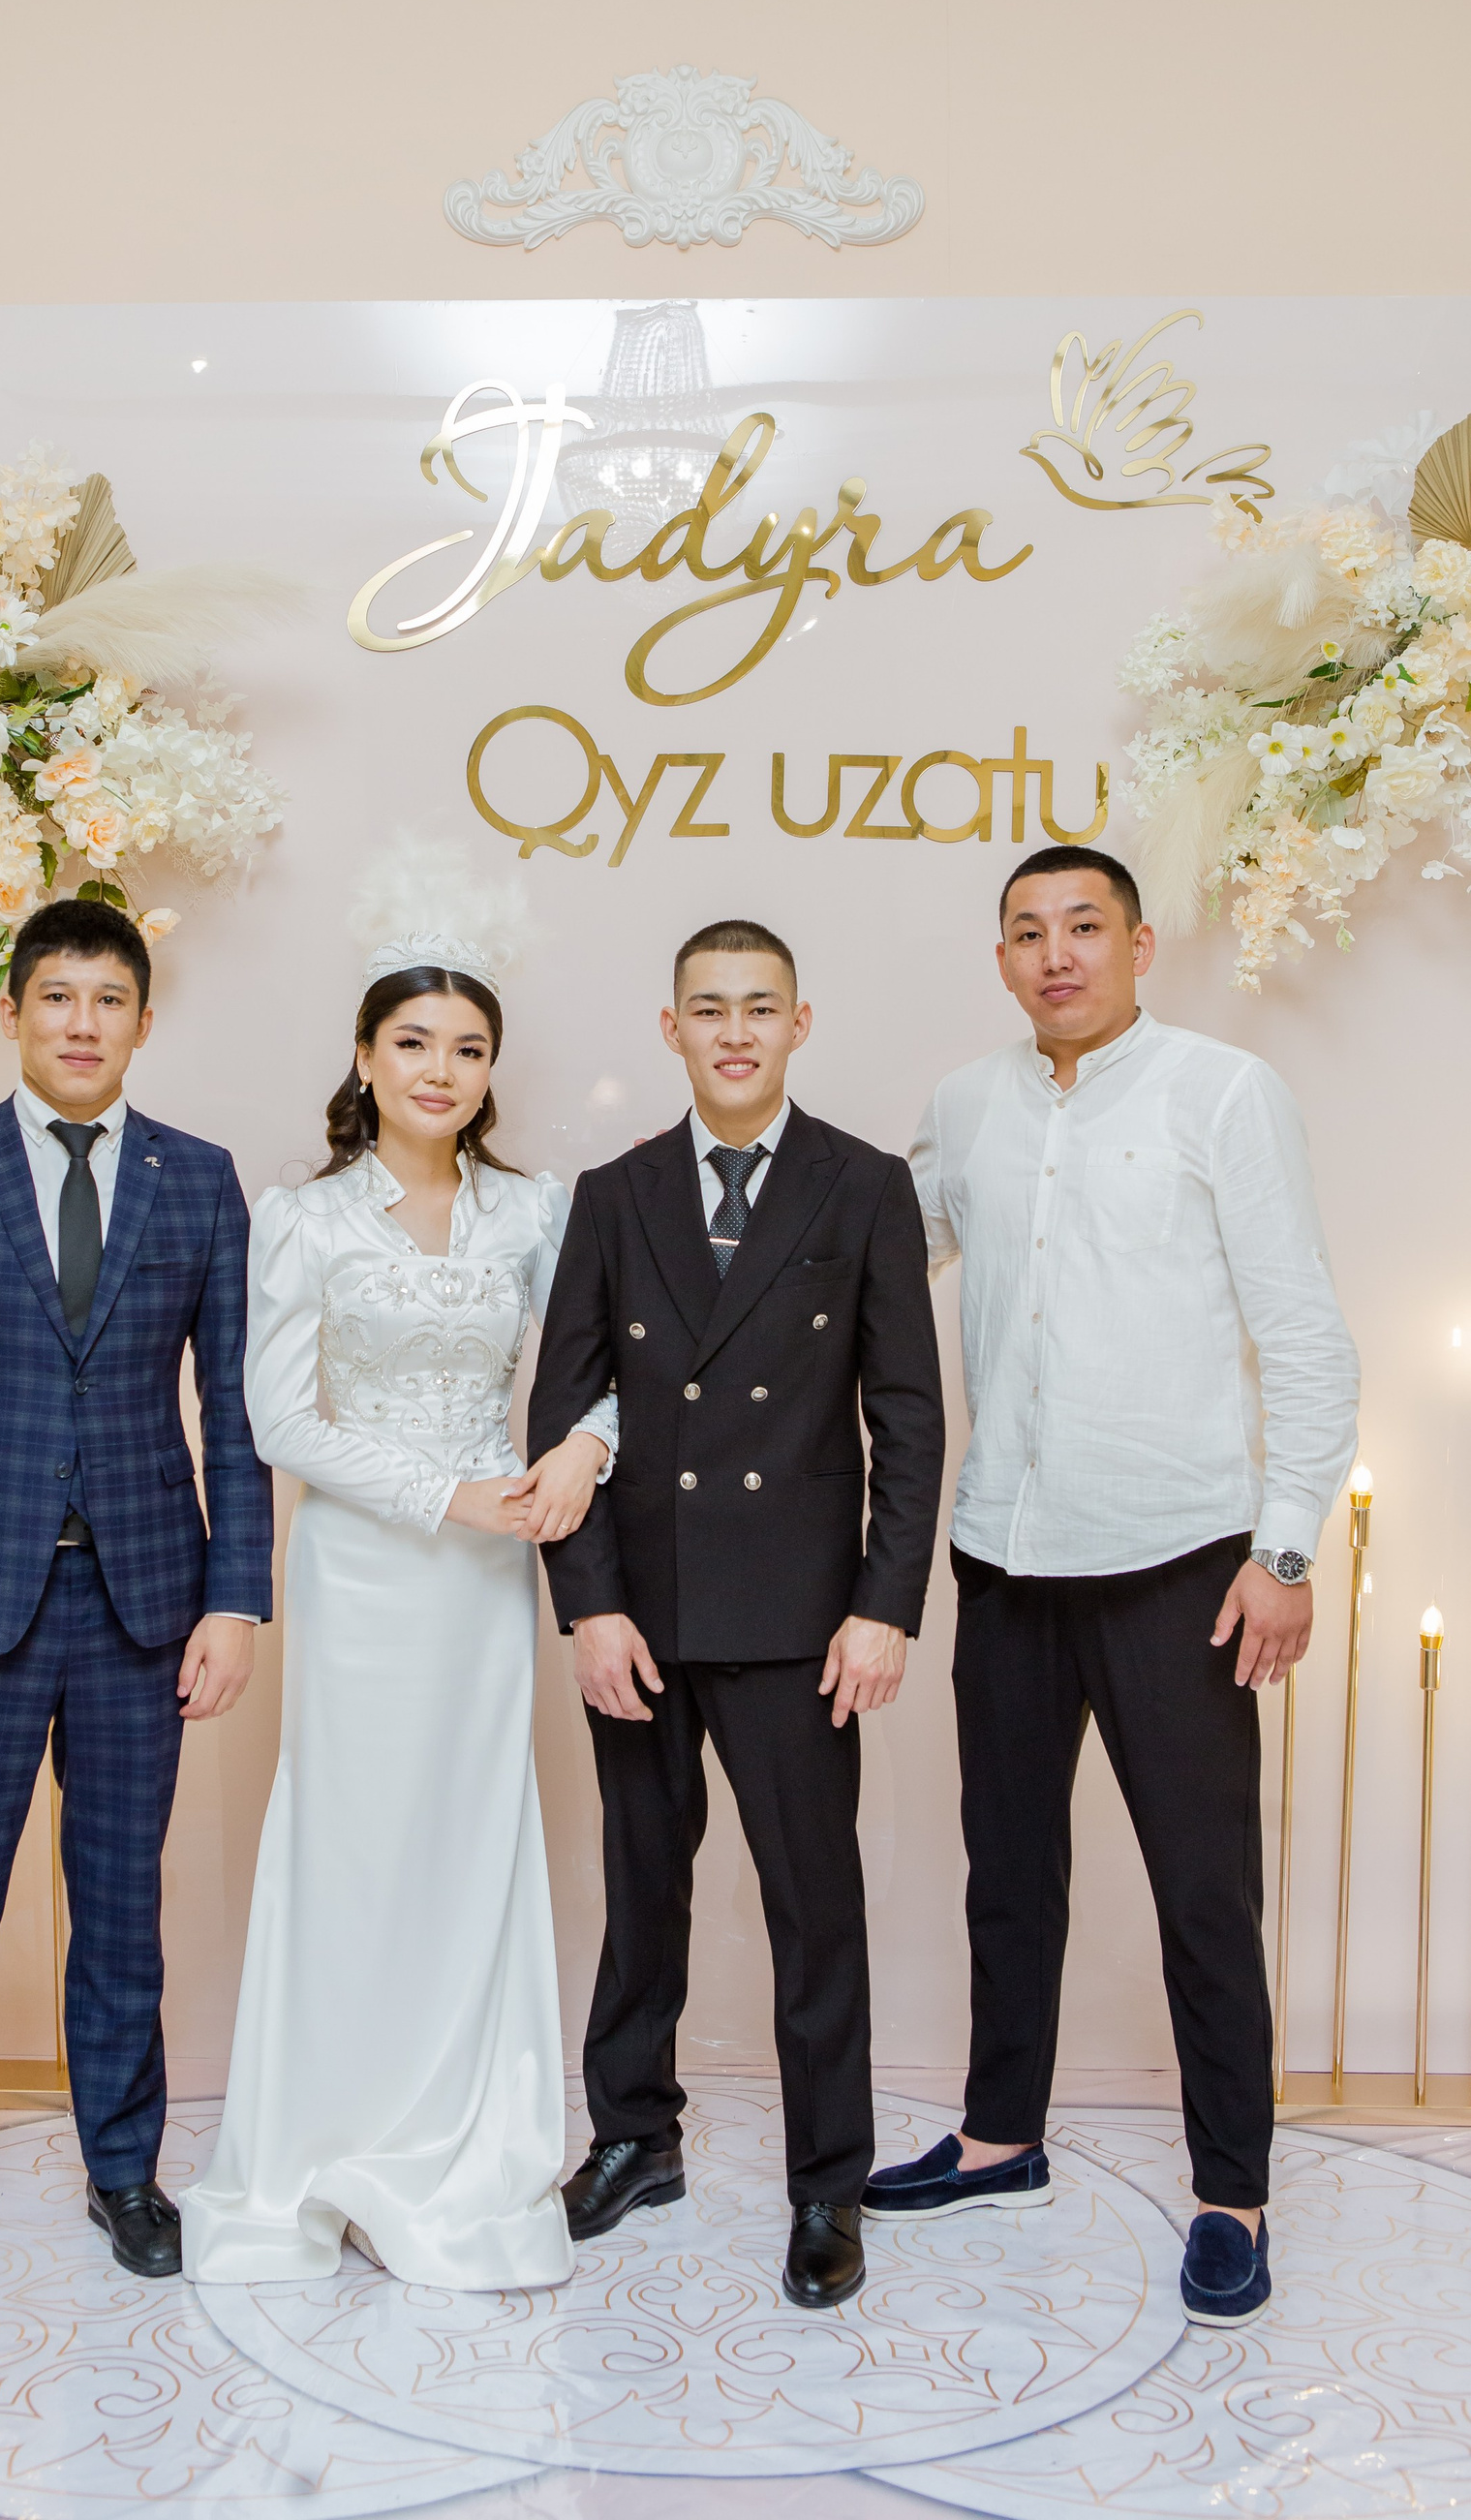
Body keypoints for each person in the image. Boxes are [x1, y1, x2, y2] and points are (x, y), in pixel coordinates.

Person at [868, 846, 1358, 2329]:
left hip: (1181, 1562)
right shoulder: (965, 1104)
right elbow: (878, 1263)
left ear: (1140, 945)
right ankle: (999, 2136)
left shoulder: (1224, 1092)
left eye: (1085, 926)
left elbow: (1304, 1330)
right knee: (1008, 1873)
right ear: (1002, 960)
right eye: (1028, 932)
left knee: (1204, 1891)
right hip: (1005, 1552)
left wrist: (1284, 1549)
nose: (1057, 952)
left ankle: (1233, 2194)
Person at [180, 860, 617, 2291]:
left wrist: (582, 1451)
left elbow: (613, 1368)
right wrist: (445, 1494)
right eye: (415, 1042)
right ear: (365, 1057)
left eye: (469, 1048)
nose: (442, 1069)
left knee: (469, 1839)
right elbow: (275, 1419)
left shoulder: (535, 1212)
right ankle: (327, 2132)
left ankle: (462, 2137)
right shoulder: (301, 1218)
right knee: (354, 1842)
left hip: (489, 1581)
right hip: (365, 1572)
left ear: (492, 1073)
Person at [0, 899, 272, 2319]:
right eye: (57, 998)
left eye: (109, 999)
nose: (82, 1023)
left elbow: (236, 1412)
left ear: (144, 1019)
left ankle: (124, 2173)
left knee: (123, 1912)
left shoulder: (200, 1180)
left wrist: (237, 1599)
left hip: (144, 1603)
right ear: (13, 1011)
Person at [528, 918, 944, 2311]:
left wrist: (884, 1606)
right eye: (708, 1008)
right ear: (672, 1030)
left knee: (812, 1905)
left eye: (760, 1007)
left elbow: (907, 1417)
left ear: (799, 1023)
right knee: (642, 1890)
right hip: (643, 1610)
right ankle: (634, 2137)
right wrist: (589, 1606)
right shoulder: (616, 1192)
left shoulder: (864, 1184)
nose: (735, 1032)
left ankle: (828, 2183)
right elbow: (566, 1407)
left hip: (798, 1615)